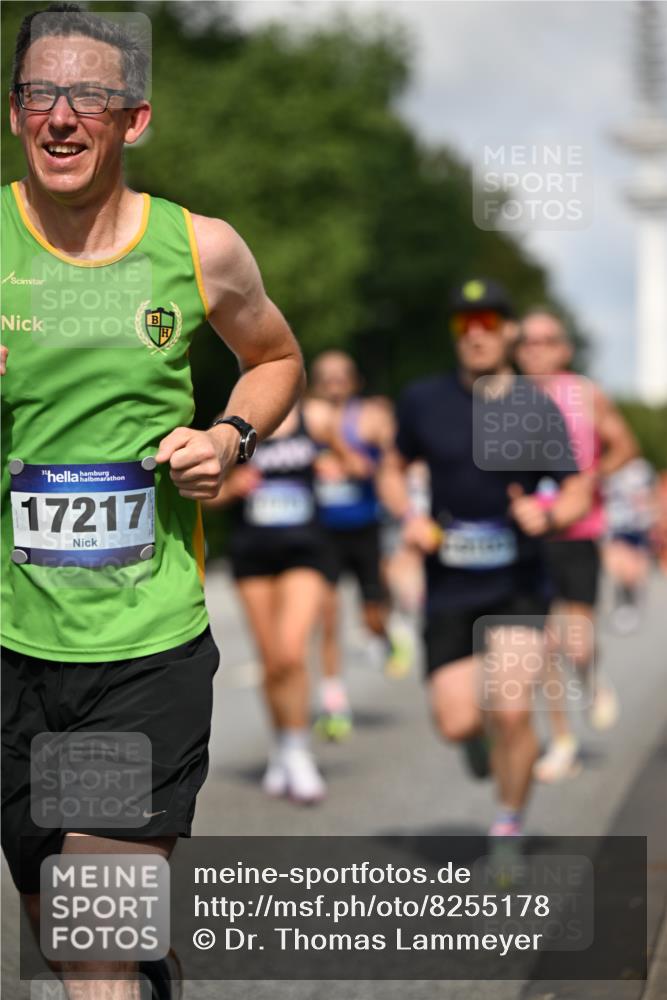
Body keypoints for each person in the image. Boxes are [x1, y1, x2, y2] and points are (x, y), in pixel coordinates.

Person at [1, 6, 303, 998]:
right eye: (41, 94)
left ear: (134, 119)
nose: (60, 117)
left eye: (87, 95)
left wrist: (228, 435)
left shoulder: (199, 247)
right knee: (74, 942)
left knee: (92, 950)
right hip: (12, 653)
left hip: (137, 651)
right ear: (14, 115)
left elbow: (275, 358)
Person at [381, 278, 592, 840]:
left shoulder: (535, 407)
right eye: (464, 324)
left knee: (512, 709)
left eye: (488, 323)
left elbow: (575, 489)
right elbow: (391, 469)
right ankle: (475, 743)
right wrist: (409, 517)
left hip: (517, 581)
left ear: (509, 331)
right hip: (448, 586)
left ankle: (508, 823)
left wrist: (549, 516)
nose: (476, 334)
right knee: (457, 722)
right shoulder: (424, 401)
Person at [204, 398, 366, 802]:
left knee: (292, 652)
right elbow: (206, 495)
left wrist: (336, 467)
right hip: (252, 553)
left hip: (306, 551)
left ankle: (298, 753)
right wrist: (232, 488)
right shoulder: (231, 421)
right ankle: (281, 744)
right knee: (272, 659)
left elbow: (358, 466)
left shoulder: (317, 417)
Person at [514, 309, 638, 780]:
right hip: (531, 534)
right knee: (542, 645)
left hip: (580, 530)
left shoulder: (584, 394)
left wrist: (589, 479)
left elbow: (625, 446)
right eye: (527, 341)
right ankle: (562, 741)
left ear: (564, 349)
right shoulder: (503, 398)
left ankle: (590, 676)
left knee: (577, 645)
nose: (536, 349)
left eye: (546, 341)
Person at [309, 351, 411, 740]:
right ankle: (334, 702)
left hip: (364, 527)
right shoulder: (308, 417)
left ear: (354, 382)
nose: (334, 384)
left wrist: (359, 460)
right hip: (322, 532)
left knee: (370, 615)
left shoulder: (371, 416)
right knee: (327, 617)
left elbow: (386, 464)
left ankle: (385, 635)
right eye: (326, 377)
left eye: (341, 377)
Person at [603, 456, 657, 633]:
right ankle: (622, 604)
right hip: (616, 525)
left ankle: (632, 601)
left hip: (639, 526)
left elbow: (652, 494)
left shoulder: (642, 468)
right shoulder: (607, 466)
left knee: (635, 572)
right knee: (617, 568)